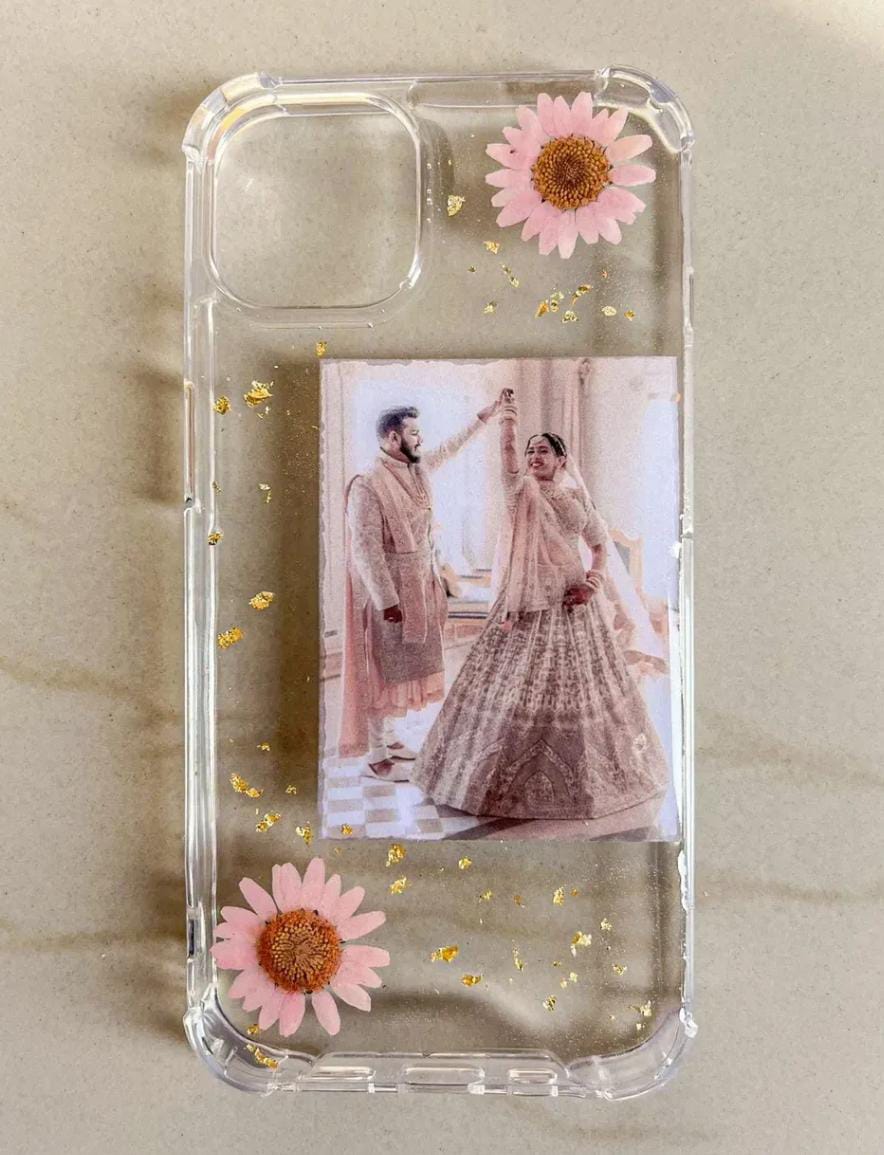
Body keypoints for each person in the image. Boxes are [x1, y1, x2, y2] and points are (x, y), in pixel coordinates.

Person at [410, 391, 670, 834]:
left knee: (582, 692)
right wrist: (508, 418)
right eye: (531, 450)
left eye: (543, 451)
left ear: (562, 460)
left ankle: (590, 780)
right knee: (512, 688)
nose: (534, 456)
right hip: (526, 603)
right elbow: (508, 453)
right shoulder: (520, 491)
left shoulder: (577, 500)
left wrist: (593, 583)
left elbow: (599, 546)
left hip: (572, 602)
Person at [338, 392, 507, 779]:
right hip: (386, 593)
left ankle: (390, 738)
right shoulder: (367, 484)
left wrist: (483, 419)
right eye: (414, 433)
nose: (421, 439)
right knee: (381, 669)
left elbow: (449, 449)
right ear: (392, 438)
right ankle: (375, 756)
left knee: (403, 667)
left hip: (419, 583)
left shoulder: (416, 470)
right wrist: (387, 600)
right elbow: (365, 550)